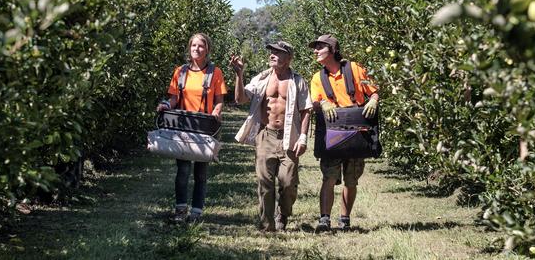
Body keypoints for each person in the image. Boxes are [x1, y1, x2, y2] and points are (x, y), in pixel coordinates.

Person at [230, 41, 312, 232]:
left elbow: (306, 110)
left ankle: (283, 213)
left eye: (278, 52)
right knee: (265, 182)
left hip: (289, 136)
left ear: (289, 58)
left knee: (289, 183)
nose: (273, 55)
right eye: (272, 51)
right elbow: (240, 99)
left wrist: (303, 138)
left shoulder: (297, 81)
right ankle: (268, 224)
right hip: (266, 135)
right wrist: (239, 74)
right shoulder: (261, 79)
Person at [308, 34, 379, 232]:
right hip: (333, 134)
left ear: (331, 50)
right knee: (328, 177)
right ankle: (324, 220)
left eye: (319, 47)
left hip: (357, 133)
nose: (315, 51)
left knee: (351, 179)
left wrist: (373, 100)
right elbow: (314, 103)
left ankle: (345, 220)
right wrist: (322, 102)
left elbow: (373, 91)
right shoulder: (317, 78)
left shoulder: (355, 69)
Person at [157, 33, 227, 223]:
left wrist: (217, 111)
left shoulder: (215, 73)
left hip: (204, 127)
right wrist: (166, 105)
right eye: (193, 46)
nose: (196, 49)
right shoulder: (180, 72)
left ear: (207, 50)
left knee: (201, 173)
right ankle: (180, 210)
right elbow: (174, 97)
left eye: (201, 46)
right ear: (189, 48)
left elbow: (220, 101)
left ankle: (196, 212)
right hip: (183, 125)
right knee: (183, 171)